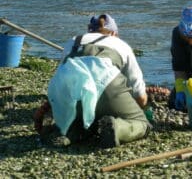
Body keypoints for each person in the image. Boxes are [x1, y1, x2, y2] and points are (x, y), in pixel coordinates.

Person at [47, 14, 150, 148]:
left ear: (90, 30)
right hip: (107, 84)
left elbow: (62, 70)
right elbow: (140, 96)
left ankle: (69, 133)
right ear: (113, 33)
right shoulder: (120, 44)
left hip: (68, 91)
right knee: (142, 123)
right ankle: (117, 128)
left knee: (81, 120)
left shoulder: (73, 41)